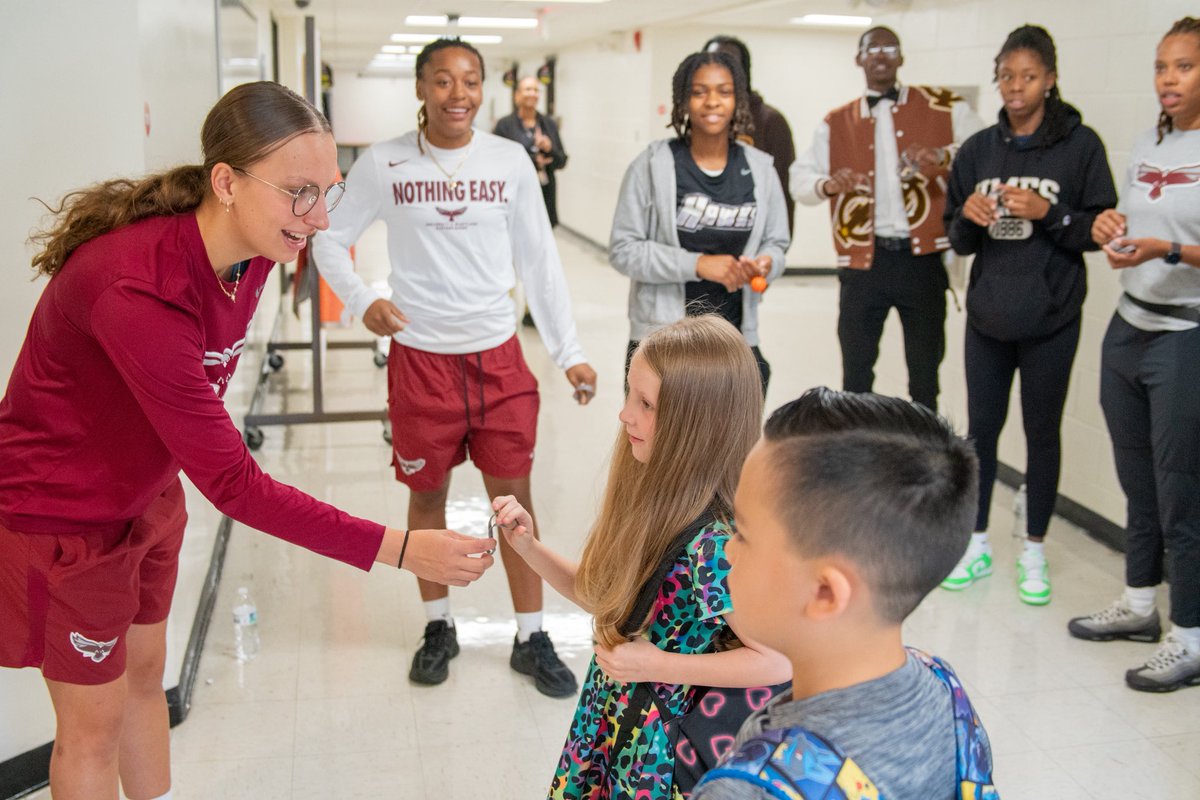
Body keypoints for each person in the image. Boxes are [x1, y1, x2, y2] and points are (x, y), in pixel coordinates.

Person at [0, 81, 494, 800]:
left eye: (328, 190)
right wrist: (399, 547)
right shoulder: (135, 290)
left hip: (146, 494)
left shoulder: (257, 252)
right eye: (300, 192)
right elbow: (232, 484)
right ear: (225, 182)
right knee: (90, 732)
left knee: (147, 679)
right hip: (66, 518)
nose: (321, 218)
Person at [310, 38, 597, 697]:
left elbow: (539, 260)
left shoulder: (509, 161)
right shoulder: (384, 163)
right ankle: (438, 625)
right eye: (442, 80)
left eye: (470, 80)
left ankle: (532, 635)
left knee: (515, 503)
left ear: (484, 88)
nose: (457, 93)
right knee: (427, 497)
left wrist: (569, 352)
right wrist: (363, 299)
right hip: (421, 361)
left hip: (498, 358)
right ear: (421, 87)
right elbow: (329, 235)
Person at [491, 315, 791, 799]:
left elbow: (776, 661)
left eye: (645, 403)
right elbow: (604, 596)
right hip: (619, 713)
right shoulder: (655, 496)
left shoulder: (714, 543)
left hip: (660, 748)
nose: (624, 414)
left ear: (696, 424)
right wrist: (528, 547)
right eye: (629, 394)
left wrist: (659, 665)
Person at [691, 388, 997, 799]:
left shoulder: (746, 792)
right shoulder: (945, 691)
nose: (727, 549)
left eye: (743, 534)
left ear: (824, 593)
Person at [942, 25, 1117, 605]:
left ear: (1051, 79)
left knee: (1042, 434)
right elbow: (960, 242)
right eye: (1007, 76)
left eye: (1029, 76)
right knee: (980, 435)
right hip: (988, 318)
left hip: (1052, 318)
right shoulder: (977, 150)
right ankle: (976, 541)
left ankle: (1035, 548)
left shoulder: (1079, 145)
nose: (1015, 87)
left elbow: (1097, 232)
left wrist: (1047, 211)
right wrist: (967, 217)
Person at [1070, 16, 1200, 693]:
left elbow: (1174, 242)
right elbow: (1132, 224)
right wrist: (1109, 226)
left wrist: (1168, 249)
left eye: (1183, 66)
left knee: (1181, 492)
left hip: (1184, 337)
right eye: (1161, 66)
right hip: (1128, 327)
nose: (1168, 79)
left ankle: (1190, 638)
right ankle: (1141, 607)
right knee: (1138, 481)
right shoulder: (1150, 144)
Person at [791, 26, 985, 412]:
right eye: (872, 48)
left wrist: (943, 156)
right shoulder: (835, 122)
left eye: (889, 48)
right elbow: (800, 180)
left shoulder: (945, 106)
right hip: (864, 263)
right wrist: (828, 184)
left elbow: (984, 151)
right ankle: (859, 455)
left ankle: (922, 456)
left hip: (922, 260)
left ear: (901, 58)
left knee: (925, 373)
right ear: (858, 58)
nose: (881, 55)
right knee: (856, 374)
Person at [610, 51, 790, 392]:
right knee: (660, 444)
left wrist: (767, 263)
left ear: (738, 100)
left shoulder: (761, 168)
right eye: (699, 91)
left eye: (724, 91)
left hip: (735, 339)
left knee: (735, 444)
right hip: (662, 341)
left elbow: (777, 242)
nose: (712, 102)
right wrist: (700, 265)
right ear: (682, 100)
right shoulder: (651, 166)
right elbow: (623, 250)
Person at [703, 35, 797, 235]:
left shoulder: (770, 121)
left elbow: (782, 192)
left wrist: (774, 248)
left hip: (751, 246)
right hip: (699, 244)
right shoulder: (697, 119)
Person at [493, 75, 568, 228]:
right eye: (528, 89)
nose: (532, 93)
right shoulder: (505, 125)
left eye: (535, 90)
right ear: (517, 95)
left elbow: (562, 160)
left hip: (544, 193)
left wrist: (549, 149)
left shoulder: (548, 124)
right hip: (515, 193)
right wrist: (532, 160)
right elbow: (495, 161)